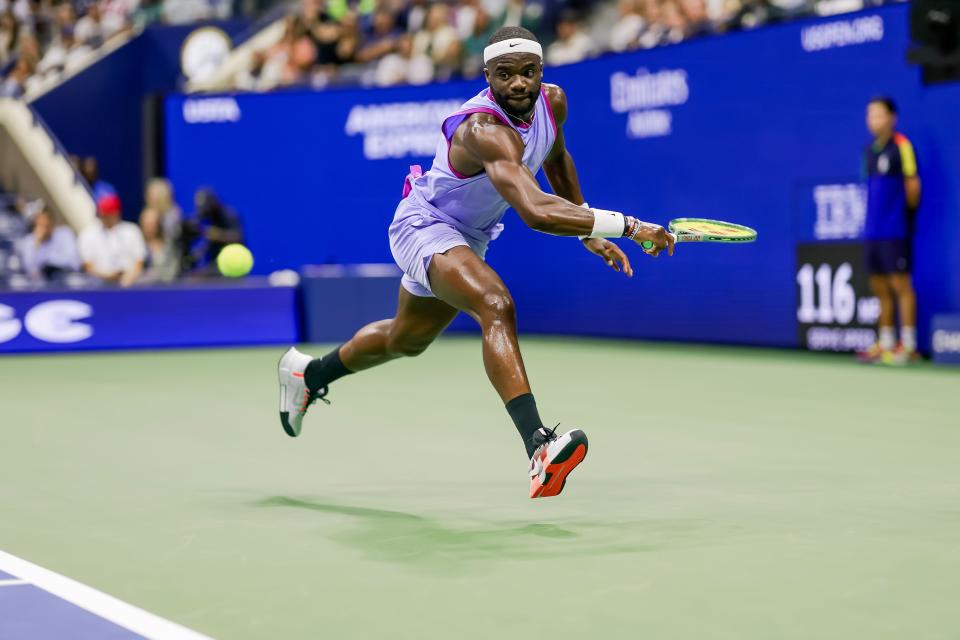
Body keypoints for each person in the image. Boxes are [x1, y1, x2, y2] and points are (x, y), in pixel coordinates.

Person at [277, 26, 674, 499]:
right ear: (488, 76)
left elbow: (556, 158)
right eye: (504, 75)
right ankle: (539, 446)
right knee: (495, 303)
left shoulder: (554, 102)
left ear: (541, 72)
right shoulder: (482, 131)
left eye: (528, 72)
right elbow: (535, 212)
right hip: (423, 226)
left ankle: (308, 375)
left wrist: (587, 233)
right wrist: (629, 226)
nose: (519, 84)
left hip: (470, 235)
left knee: (406, 339)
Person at [856, 97, 921, 365]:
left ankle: (909, 345)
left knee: (901, 286)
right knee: (879, 286)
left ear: (892, 118)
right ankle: (885, 343)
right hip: (873, 231)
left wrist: (903, 218)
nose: (873, 120)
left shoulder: (902, 146)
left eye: (879, 115)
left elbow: (913, 186)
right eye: (870, 115)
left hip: (896, 229)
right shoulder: (868, 151)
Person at [78, 193, 146, 286]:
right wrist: (107, 276)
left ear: (117, 214)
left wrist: (128, 278)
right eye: (103, 215)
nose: (106, 218)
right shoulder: (88, 234)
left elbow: (139, 262)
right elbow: (87, 265)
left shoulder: (132, 231)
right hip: (97, 282)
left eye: (109, 214)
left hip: (130, 281)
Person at [16, 208, 81, 281]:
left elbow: (74, 263)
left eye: (46, 225)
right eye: (40, 224)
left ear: (52, 223)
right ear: (35, 223)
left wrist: (49, 262)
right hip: (40, 284)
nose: (44, 228)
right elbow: (29, 269)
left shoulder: (65, 234)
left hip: (64, 280)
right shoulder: (29, 241)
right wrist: (37, 244)